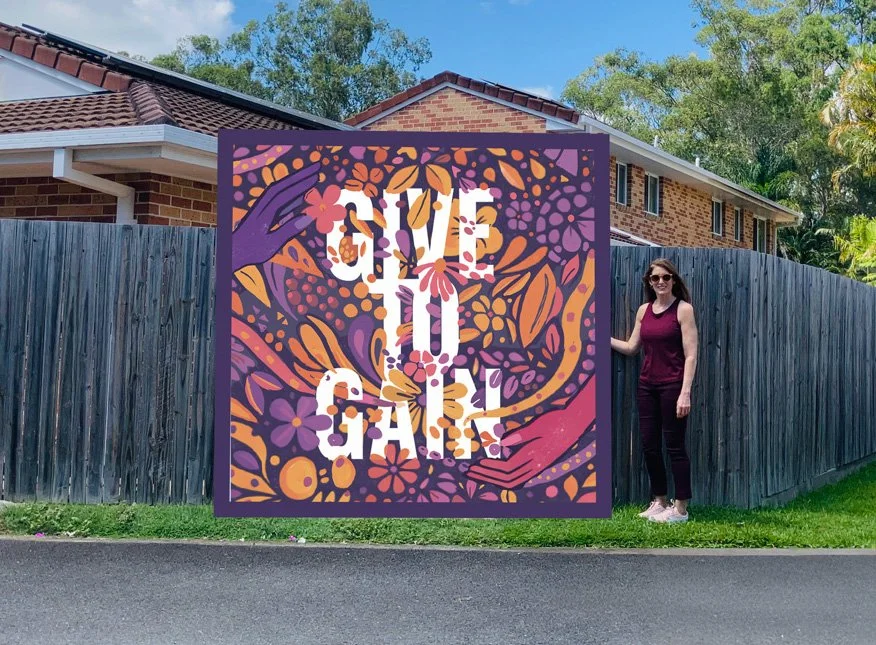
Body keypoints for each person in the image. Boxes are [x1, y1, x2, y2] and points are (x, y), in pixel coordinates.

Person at [611, 258, 698, 523]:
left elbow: (691, 355)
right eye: (655, 278)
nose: (660, 282)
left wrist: (685, 393)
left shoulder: (683, 310)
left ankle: (681, 509)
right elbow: (631, 347)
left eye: (665, 277)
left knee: (674, 447)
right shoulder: (643, 311)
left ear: (673, 280)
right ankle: (660, 502)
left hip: (673, 386)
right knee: (649, 446)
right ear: (649, 282)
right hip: (647, 386)